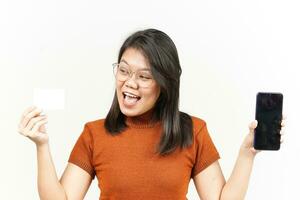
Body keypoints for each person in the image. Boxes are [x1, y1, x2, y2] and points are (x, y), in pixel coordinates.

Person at [18, 28, 285, 200]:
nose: (129, 83)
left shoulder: (192, 131)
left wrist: (247, 154)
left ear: (165, 84)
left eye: (144, 76)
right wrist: (42, 146)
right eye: (123, 70)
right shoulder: (94, 133)